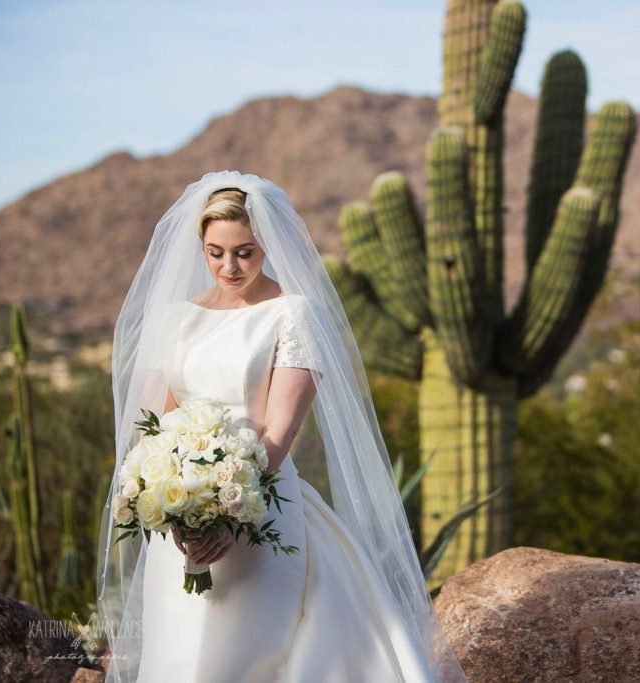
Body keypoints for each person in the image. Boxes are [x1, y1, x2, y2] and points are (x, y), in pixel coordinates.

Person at [96, 170, 469, 682]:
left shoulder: (293, 315)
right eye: (216, 251)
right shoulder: (173, 319)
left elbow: (279, 431)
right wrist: (173, 503)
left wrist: (229, 514)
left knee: (246, 656)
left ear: (267, 244)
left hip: (260, 507)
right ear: (200, 247)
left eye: (245, 251)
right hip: (180, 524)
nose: (229, 266)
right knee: (178, 656)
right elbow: (159, 425)